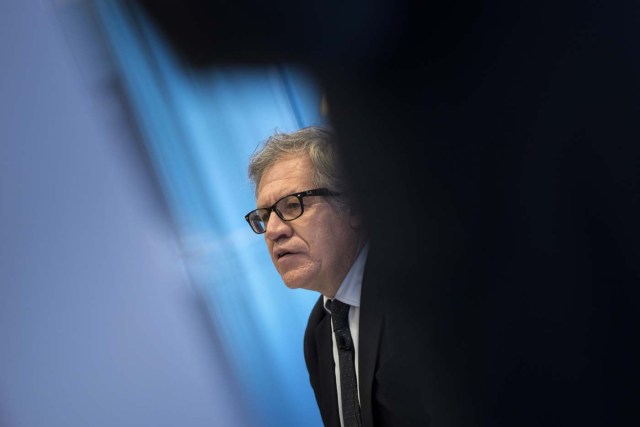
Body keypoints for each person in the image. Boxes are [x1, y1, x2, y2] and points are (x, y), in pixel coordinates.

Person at [245, 126, 431, 427]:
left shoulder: (417, 292)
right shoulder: (318, 330)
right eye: (265, 217)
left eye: (292, 205)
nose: (274, 231)